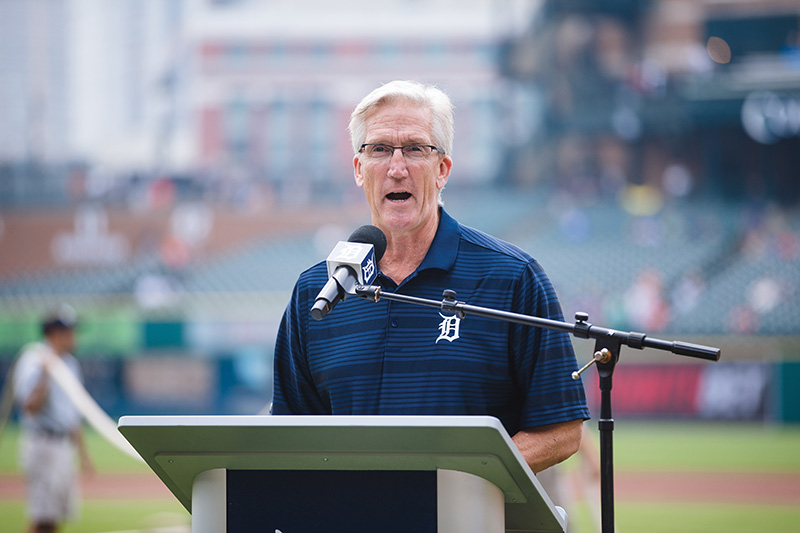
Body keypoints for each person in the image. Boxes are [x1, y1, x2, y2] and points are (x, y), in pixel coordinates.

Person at [272, 80, 589, 473]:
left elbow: (561, 429)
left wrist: (459, 480)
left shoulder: (512, 277)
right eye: (379, 150)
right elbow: (291, 434)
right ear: (358, 169)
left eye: (416, 150)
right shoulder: (314, 293)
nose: (397, 168)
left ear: (442, 170)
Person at [13, 306, 93, 533]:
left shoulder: (70, 364)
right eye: (71, 332)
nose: (75, 337)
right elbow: (29, 406)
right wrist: (45, 374)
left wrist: (83, 454)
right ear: (56, 333)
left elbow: (72, 413)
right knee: (43, 518)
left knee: (56, 516)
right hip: (43, 443)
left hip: (63, 445)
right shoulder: (33, 360)